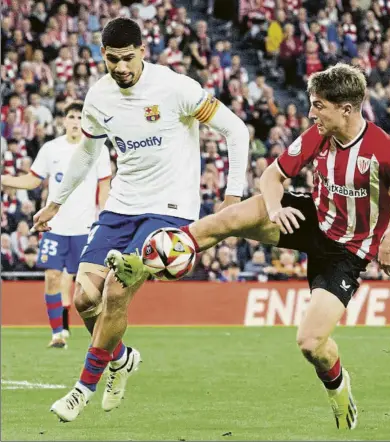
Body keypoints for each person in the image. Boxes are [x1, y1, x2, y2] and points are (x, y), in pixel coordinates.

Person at [118, 63, 390, 430]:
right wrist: (274, 207)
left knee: (311, 343)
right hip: (311, 217)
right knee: (231, 218)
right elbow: (273, 175)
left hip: (347, 252)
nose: (311, 113)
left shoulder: (384, 150)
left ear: (346, 109)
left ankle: (338, 386)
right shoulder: (318, 134)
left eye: (319, 106)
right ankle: (144, 262)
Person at [31, 17, 249, 422]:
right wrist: (55, 203)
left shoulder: (175, 87)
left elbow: (236, 130)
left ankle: (82, 389)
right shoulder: (98, 98)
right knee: (83, 299)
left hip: (168, 208)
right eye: (113, 59)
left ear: (143, 51)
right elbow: (87, 154)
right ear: (103, 56)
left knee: (115, 291)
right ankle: (122, 358)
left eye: (128, 58)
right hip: (121, 205)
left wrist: (232, 196)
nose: (122, 67)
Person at [1, 101, 112, 348]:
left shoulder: (98, 149)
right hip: (55, 227)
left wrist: (103, 216)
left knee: (87, 288)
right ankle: (58, 333)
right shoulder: (51, 149)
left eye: (78, 116)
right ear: (63, 120)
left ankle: (98, 333)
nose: (74, 121)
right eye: (70, 116)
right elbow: (32, 180)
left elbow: (104, 185)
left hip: (86, 228)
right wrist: (5, 179)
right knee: (52, 277)